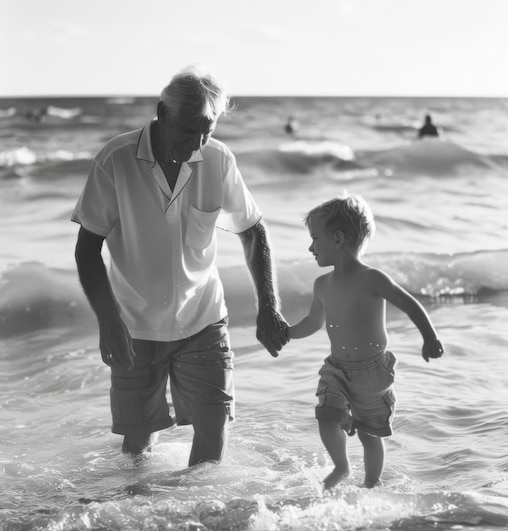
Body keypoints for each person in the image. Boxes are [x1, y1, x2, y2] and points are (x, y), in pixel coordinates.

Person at [72, 65, 288, 464]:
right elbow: (87, 249)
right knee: (137, 447)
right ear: (162, 113)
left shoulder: (218, 159)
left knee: (213, 433)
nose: (197, 143)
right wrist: (108, 321)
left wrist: (269, 306)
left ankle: (202, 522)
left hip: (204, 320)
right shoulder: (116, 160)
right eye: (189, 131)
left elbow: (253, 231)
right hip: (134, 326)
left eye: (207, 131)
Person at [286, 195, 444, 489]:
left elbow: (409, 304)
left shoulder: (373, 278)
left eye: (315, 238)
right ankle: (341, 466)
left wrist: (429, 337)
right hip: (337, 367)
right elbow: (312, 323)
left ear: (337, 239)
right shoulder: (322, 284)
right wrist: (286, 332)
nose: (310, 247)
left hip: (373, 371)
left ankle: (371, 484)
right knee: (326, 415)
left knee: (369, 434)